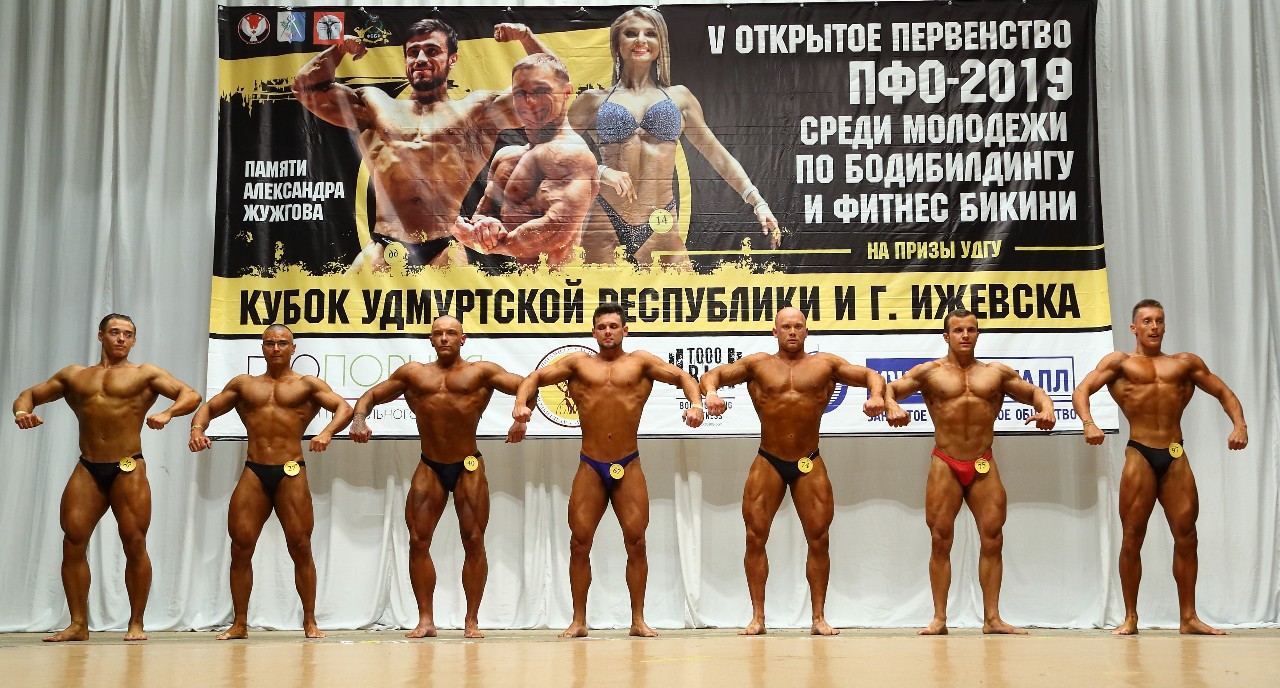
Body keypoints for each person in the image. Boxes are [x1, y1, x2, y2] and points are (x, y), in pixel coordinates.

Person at [510, 303, 704, 637]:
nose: (608, 332)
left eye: (614, 326)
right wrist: (519, 405)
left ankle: (638, 620)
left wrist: (696, 404)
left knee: (637, 542)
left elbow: (682, 377)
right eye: (602, 327)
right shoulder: (578, 364)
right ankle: (578, 621)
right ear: (593, 332)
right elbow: (535, 378)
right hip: (591, 463)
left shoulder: (640, 362)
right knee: (579, 542)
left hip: (629, 462)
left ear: (624, 330)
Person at [293, 20, 550, 272]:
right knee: (346, 300)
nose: (421, 59)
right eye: (413, 52)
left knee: (455, 303)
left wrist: (526, 37)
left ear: (452, 59)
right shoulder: (374, 105)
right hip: (384, 245)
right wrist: (338, 51)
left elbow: (551, 89)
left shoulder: (477, 111)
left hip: (443, 249)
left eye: (432, 51)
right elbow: (304, 87)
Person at [700, 307, 889, 635]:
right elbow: (710, 376)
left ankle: (818, 618)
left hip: (808, 460)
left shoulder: (825, 365)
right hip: (768, 459)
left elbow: (872, 375)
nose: (792, 331)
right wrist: (712, 393)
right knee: (754, 537)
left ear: (806, 331)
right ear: (775, 331)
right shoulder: (758, 364)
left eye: (798, 326)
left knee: (819, 538)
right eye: (785, 326)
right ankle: (758, 618)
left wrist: (876, 396)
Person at [12, 314, 200, 642]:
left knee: (134, 542)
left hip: (128, 467)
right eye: (114, 332)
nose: (121, 339)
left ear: (134, 340)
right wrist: (22, 413)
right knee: (73, 540)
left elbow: (191, 394)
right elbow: (28, 394)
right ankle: (78, 624)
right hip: (88, 466)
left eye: (128, 334)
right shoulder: (74, 376)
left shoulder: (145, 374)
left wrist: (168, 413)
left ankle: (136, 623)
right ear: (101, 335)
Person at [1072, 299, 1247, 635]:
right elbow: (1083, 390)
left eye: (1159, 321)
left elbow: (1224, 392)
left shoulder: (1185, 364)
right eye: (1147, 321)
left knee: (1187, 536)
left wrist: (1240, 425)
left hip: (1175, 453)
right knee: (1132, 538)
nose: (1154, 327)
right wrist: (1088, 422)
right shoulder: (1119, 363)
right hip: (1140, 453)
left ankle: (1188, 617)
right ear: (1134, 328)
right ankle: (1130, 617)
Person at [349, 316, 525, 638]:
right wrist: (359, 419)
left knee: (474, 540)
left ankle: (471, 620)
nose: (445, 338)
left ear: (463, 339)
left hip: (468, 465)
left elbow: (527, 384)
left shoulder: (481, 372)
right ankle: (426, 619)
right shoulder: (414, 374)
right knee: (418, 540)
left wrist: (521, 417)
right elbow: (370, 396)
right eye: (438, 333)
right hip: (430, 465)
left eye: (451, 333)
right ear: (431, 339)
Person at [566, 7, 779, 268]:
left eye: (650, 34)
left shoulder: (680, 98)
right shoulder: (592, 100)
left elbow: (717, 155)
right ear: (617, 44)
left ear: (661, 44)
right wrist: (600, 171)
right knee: (600, 295)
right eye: (631, 33)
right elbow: (554, 154)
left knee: (680, 294)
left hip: (660, 220)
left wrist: (757, 201)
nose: (641, 40)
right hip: (605, 220)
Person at [885, 308, 1056, 635]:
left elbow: (1034, 392)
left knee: (993, 538)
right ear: (946, 336)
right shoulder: (930, 373)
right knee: (940, 539)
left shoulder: (995, 373)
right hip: (945, 462)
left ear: (977, 334)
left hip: (982, 462)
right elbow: (891, 388)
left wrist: (1046, 408)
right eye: (958, 330)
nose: (965, 335)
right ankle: (939, 619)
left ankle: (992, 618)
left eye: (971, 330)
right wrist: (891, 405)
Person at [188, 325, 354, 639]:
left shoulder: (307, 384)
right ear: (262, 347)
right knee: (240, 546)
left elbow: (344, 408)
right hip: (255, 470)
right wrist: (197, 430)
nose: (276, 348)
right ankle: (239, 623)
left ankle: (310, 621)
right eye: (269, 343)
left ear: (293, 348)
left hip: (291, 470)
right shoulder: (244, 385)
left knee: (301, 546)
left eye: (282, 343)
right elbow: (207, 408)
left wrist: (326, 432)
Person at [452, 54, 599, 268]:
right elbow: (482, 216)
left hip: (555, 284)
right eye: (520, 93)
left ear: (567, 92)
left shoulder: (571, 155)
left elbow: (555, 232)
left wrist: (484, 243)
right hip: (513, 282)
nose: (529, 102)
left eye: (540, 91)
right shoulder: (506, 156)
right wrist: (484, 228)